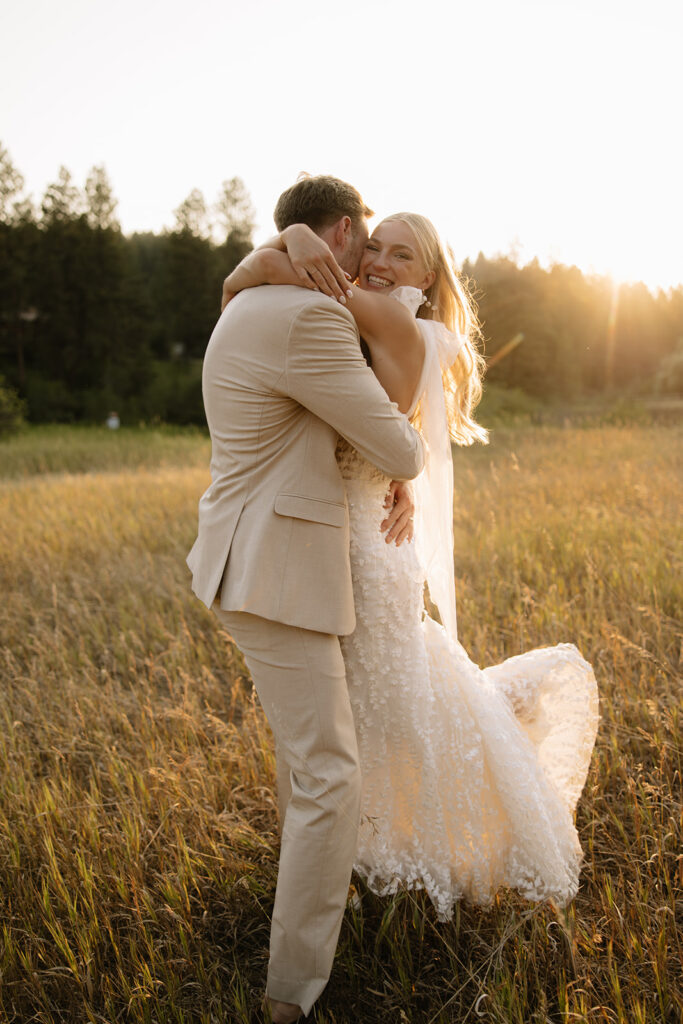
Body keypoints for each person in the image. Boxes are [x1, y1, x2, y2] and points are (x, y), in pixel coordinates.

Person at [222, 210, 600, 925]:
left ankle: (385, 864)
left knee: (382, 721)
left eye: (401, 256)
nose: (380, 263)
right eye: (373, 249)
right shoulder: (375, 329)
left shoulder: (393, 324)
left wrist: (294, 242)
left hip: (365, 556)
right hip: (356, 534)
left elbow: (255, 280)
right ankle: (363, 860)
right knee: (377, 714)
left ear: (427, 278)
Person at [187, 176, 426, 1024]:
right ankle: (290, 994)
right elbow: (398, 447)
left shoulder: (245, 300)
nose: (371, 262)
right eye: (366, 245)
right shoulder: (314, 319)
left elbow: (237, 282)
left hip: (244, 558)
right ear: (348, 231)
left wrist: (280, 246)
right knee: (331, 773)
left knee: (305, 764)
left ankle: (314, 902)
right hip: (276, 570)